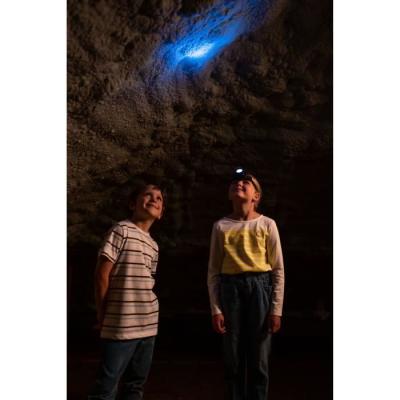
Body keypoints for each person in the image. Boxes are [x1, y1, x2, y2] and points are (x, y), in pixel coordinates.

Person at [207, 168, 285, 400]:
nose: (238, 184)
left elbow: (278, 269)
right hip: (230, 290)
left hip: (260, 288)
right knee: (233, 355)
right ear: (228, 194)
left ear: (256, 196)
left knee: (259, 356)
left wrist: (276, 309)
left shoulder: (267, 224)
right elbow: (214, 270)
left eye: (245, 182)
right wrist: (216, 308)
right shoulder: (221, 226)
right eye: (234, 182)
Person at [88, 183, 165, 400]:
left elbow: (149, 280)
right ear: (133, 204)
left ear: (161, 213)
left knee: (135, 385)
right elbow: (101, 274)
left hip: (148, 324)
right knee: (106, 385)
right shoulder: (121, 230)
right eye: (148, 194)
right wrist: (102, 313)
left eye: (159, 198)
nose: (154, 199)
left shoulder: (154, 245)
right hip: (121, 323)